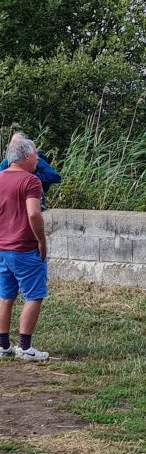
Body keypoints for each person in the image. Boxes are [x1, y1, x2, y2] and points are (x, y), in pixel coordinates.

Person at [0, 135, 51, 362]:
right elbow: (33, 213)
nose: (38, 159)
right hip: (24, 248)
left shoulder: (0, 177)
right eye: (36, 154)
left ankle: (3, 345)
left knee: (5, 296)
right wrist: (41, 240)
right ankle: (25, 346)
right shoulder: (31, 181)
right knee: (34, 296)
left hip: (2, 248)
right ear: (28, 156)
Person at [0, 133, 61, 210]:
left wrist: (32, 176)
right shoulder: (7, 162)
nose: (15, 146)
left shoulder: (35, 160)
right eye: (13, 143)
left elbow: (55, 177)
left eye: (18, 143)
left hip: (33, 198)